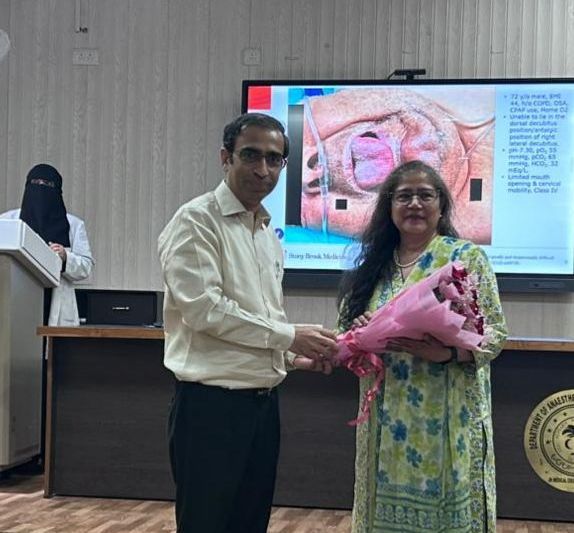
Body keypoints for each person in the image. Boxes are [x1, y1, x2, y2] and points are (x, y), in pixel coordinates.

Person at [158, 112, 338, 533]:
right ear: (226, 158)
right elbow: (205, 310)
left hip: (263, 406)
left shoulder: (266, 235)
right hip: (210, 409)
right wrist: (290, 337)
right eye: (251, 155)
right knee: (205, 524)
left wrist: (292, 358)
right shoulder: (196, 220)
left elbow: (259, 318)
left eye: (274, 159)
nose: (263, 170)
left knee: (250, 523)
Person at [337, 160, 507, 533]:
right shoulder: (373, 267)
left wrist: (446, 353)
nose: (414, 203)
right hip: (385, 420)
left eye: (425, 195)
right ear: (390, 208)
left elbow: (495, 334)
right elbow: (344, 334)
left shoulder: (465, 258)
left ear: (441, 206)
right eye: (404, 196)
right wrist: (360, 331)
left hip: (448, 416)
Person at [0, 163, 94, 326]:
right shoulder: (7, 221)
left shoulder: (73, 225)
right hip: (16, 297)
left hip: (55, 304)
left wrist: (65, 258)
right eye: (36, 183)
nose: (41, 188)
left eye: (47, 184)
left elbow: (86, 267)